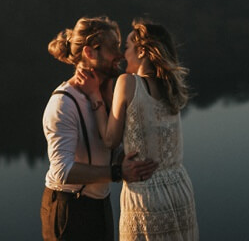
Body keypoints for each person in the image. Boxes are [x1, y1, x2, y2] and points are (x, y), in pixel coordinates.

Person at [77, 19, 199, 241]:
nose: (124, 55)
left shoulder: (127, 83)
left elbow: (110, 140)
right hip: (181, 188)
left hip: (146, 194)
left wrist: (94, 96)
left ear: (141, 51)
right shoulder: (170, 86)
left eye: (127, 47)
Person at [42, 16, 159, 241]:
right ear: (89, 52)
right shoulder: (63, 103)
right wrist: (117, 173)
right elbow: (61, 171)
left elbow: (107, 148)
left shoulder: (107, 93)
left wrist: (126, 158)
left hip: (99, 205)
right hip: (69, 209)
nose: (120, 55)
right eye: (113, 47)